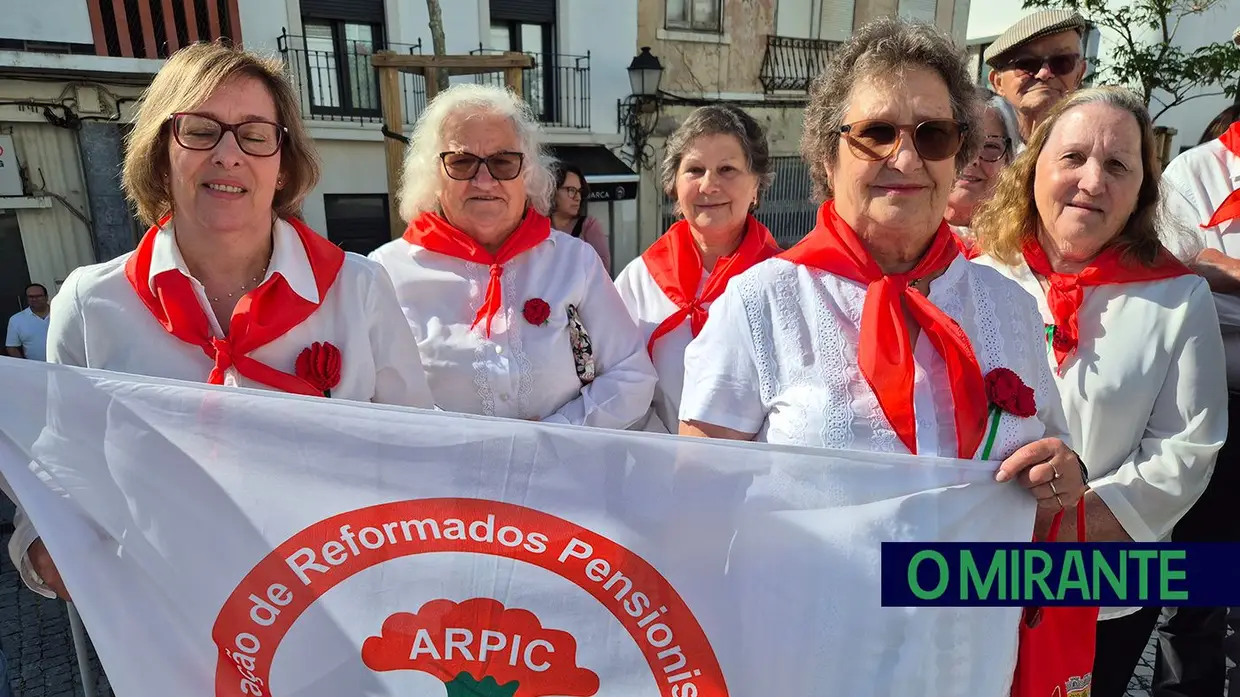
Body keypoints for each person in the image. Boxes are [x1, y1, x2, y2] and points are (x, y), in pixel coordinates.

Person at [8, 41, 435, 602]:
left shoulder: (359, 289)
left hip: (338, 607)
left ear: (283, 166)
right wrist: (41, 547)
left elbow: (421, 453)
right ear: (162, 153)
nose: (228, 155)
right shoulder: (90, 303)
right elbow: (64, 466)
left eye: (255, 135)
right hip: (171, 618)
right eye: (200, 130)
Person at [678, 18, 1085, 502]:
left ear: (958, 157)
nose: (907, 160)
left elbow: (1059, 449)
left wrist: (1065, 471)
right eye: (876, 133)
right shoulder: (757, 304)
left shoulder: (1010, 308)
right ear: (829, 158)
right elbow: (698, 499)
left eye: (933, 135)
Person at [971, 86, 1228, 697]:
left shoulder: (1176, 296)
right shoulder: (976, 274)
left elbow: (1187, 448)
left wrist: (1075, 517)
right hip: (977, 568)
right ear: (1033, 168)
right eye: (1074, 158)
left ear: (1142, 188)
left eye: (1117, 165)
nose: (1093, 180)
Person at [370, 83, 657, 428]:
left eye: (503, 162)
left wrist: (560, 431)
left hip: (561, 472)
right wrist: (465, 444)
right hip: (442, 477)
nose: (484, 180)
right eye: (461, 162)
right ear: (433, 176)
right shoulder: (386, 271)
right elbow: (373, 400)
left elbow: (632, 375)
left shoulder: (574, 260)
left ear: (528, 174)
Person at [614, 104, 780, 434]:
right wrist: (664, 454)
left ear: (756, 186)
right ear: (673, 187)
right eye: (694, 170)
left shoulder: (782, 282)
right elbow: (613, 380)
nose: (708, 185)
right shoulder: (639, 280)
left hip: (753, 475)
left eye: (727, 169)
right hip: (653, 467)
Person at [1155, 85, 1240, 697]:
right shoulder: (1197, 169)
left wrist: (1224, 271)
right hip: (1223, 401)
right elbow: (1177, 266)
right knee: (1203, 577)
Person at [985, 9, 1088, 148]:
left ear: (1079, 74)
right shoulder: (973, 150)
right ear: (998, 83)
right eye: (1027, 64)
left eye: (1061, 62)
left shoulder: (1094, 148)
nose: (1044, 73)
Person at [944, 93, 1017, 256]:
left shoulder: (1022, 249)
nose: (973, 158)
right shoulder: (895, 236)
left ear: (1008, 160)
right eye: (961, 143)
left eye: (990, 146)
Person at [550, 163, 611, 272]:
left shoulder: (589, 226)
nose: (577, 198)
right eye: (571, 190)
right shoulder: (537, 226)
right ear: (553, 191)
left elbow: (602, 270)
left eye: (579, 192)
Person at [5, 283, 50, 360]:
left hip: (68, 366)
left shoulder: (61, 313)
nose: (34, 299)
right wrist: (25, 366)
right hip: (37, 368)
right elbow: (11, 347)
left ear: (46, 297)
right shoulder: (16, 320)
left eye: (38, 296)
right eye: (31, 297)